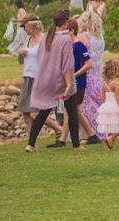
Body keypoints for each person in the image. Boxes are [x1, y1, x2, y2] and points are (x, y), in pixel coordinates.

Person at [26, 10, 80, 152]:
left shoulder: (46, 37)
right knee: (72, 111)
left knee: (43, 112)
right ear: (66, 21)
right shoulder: (66, 39)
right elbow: (67, 64)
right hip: (60, 81)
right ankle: (76, 145)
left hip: (45, 79)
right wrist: (69, 84)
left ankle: (30, 144)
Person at [17, 14, 61, 140]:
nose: (25, 29)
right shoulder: (28, 40)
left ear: (30, 25)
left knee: (34, 113)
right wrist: (20, 54)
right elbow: (21, 61)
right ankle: (31, 142)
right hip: (27, 77)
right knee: (26, 114)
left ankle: (58, 129)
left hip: (39, 78)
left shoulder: (45, 39)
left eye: (25, 26)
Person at [65, 17, 100, 145]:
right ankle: (63, 139)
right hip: (71, 81)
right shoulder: (68, 46)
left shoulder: (79, 46)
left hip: (79, 82)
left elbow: (88, 64)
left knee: (76, 109)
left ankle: (91, 134)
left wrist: (75, 74)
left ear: (71, 31)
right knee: (70, 110)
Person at [77, 9, 105, 139]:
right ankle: (102, 130)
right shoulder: (100, 39)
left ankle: (92, 133)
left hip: (86, 74)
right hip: (98, 75)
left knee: (85, 106)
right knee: (98, 103)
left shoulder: (83, 37)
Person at [95, 59, 119, 150]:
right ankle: (111, 138)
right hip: (115, 106)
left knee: (111, 126)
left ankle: (110, 141)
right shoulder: (117, 84)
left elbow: (103, 98)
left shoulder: (105, 84)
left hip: (107, 106)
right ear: (116, 71)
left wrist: (104, 107)